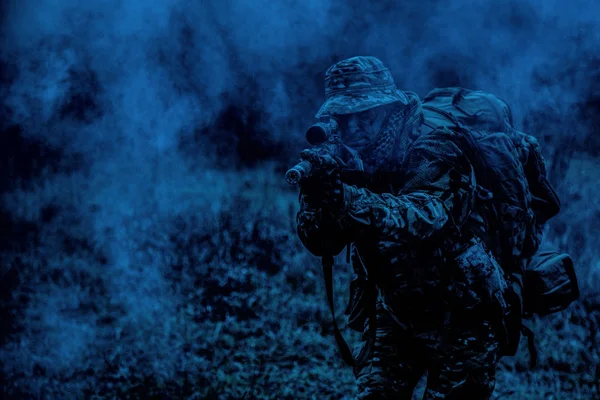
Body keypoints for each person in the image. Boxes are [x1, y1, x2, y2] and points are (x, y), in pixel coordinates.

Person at [295, 56, 510, 399]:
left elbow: (426, 216)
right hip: (396, 306)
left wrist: (347, 198)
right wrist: (319, 196)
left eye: (364, 115)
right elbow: (321, 242)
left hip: (463, 308)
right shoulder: (349, 155)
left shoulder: (434, 144)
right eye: (343, 118)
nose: (354, 129)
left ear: (390, 107)